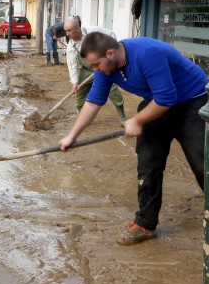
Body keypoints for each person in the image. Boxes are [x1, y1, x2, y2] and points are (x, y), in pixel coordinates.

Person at [59, 32, 207, 245]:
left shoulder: (148, 54)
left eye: (96, 64)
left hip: (193, 102)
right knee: (148, 163)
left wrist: (136, 121)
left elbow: (166, 98)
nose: (95, 70)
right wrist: (72, 136)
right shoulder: (105, 67)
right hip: (156, 103)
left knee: (203, 164)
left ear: (110, 53)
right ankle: (145, 224)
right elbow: (93, 102)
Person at [63, 16, 127, 124]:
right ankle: (81, 115)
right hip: (87, 69)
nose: (67, 34)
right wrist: (74, 82)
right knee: (80, 92)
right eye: (66, 31)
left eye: (69, 30)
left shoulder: (92, 32)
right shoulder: (71, 47)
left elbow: (111, 34)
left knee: (112, 90)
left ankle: (122, 116)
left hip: (102, 67)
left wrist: (111, 55)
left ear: (78, 29)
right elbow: (72, 65)